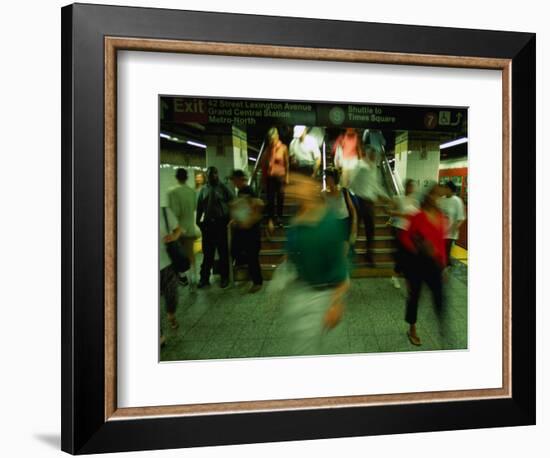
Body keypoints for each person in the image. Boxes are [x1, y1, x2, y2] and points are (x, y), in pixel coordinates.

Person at [281, 173, 350, 354]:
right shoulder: (297, 220)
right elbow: (291, 253)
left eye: (298, 183)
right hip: (302, 293)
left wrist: (336, 305)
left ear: (313, 186)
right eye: (290, 184)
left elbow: (341, 271)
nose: (291, 189)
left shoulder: (328, 224)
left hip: (324, 298)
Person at [400, 183, 448, 346]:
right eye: (436, 195)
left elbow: (441, 243)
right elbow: (405, 238)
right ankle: (412, 327)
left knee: (440, 296)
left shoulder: (441, 217)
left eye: (441, 196)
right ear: (429, 197)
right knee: (414, 297)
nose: (439, 199)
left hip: (434, 264)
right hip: (417, 262)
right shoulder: (418, 216)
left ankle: (442, 325)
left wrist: (443, 266)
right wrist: (419, 246)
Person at [196, 166, 234, 289]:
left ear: (217, 174)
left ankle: (225, 277)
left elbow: (233, 202)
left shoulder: (223, 188)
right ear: (207, 175)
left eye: (214, 174)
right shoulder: (203, 190)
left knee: (223, 253)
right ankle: (204, 278)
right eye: (210, 174)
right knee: (207, 253)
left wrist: (231, 219)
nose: (212, 176)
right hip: (208, 226)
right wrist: (198, 223)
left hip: (221, 224)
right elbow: (200, 207)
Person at [229, 170, 265, 293]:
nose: (233, 182)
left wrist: (250, 220)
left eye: (234, 180)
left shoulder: (248, 190)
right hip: (244, 229)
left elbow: (259, 204)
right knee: (236, 251)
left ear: (240, 179)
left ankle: (258, 282)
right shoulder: (241, 192)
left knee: (252, 256)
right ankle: (249, 273)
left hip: (252, 229)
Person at [348, 147, 384, 266]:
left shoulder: (374, 168)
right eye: (372, 154)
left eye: (375, 155)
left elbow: (376, 186)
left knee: (370, 230)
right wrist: (354, 198)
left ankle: (369, 255)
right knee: (355, 228)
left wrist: (384, 197)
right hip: (359, 200)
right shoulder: (360, 165)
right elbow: (351, 183)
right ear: (367, 154)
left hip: (370, 202)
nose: (374, 157)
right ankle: (350, 253)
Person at [168, 168, 199, 287]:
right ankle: (193, 279)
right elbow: (194, 207)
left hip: (178, 230)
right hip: (190, 229)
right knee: (191, 255)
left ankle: (182, 278)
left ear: (176, 177)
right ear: (187, 177)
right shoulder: (192, 192)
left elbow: (174, 212)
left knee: (176, 255)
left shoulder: (172, 192)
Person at [387, 179, 419, 289]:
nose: (412, 189)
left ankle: (404, 275)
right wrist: (402, 214)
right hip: (400, 229)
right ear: (406, 187)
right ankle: (395, 276)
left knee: (409, 255)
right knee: (401, 254)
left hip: (411, 231)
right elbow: (389, 211)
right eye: (410, 186)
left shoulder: (415, 201)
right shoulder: (398, 198)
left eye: (413, 186)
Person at [322, 167, 358, 259]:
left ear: (333, 178)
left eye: (327, 177)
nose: (325, 179)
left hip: (344, 224)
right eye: (325, 177)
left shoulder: (344, 191)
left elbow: (352, 210)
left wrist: (354, 225)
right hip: (331, 225)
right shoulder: (323, 194)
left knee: (344, 253)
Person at [159, 206, 182, 345]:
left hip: (166, 262)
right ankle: (159, 335)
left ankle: (171, 313)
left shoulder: (163, 211)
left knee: (172, 294)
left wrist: (173, 236)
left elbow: (178, 229)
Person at [264, 127, 289, 229]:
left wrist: (287, 177)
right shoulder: (268, 149)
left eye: (273, 139)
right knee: (270, 199)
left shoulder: (283, 148)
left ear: (277, 137)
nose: (271, 141)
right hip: (270, 177)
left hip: (280, 177)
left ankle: (279, 217)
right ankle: (271, 218)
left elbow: (287, 164)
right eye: (270, 139)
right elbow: (264, 163)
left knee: (280, 197)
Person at [439, 181, 466, 267]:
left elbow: (461, 217)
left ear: (450, 189)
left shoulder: (457, 201)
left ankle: (445, 265)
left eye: (445, 188)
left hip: (450, 232)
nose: (444, 189)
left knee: (446, 250)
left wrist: (456, 227)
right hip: (440, 230)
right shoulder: (441, 199)